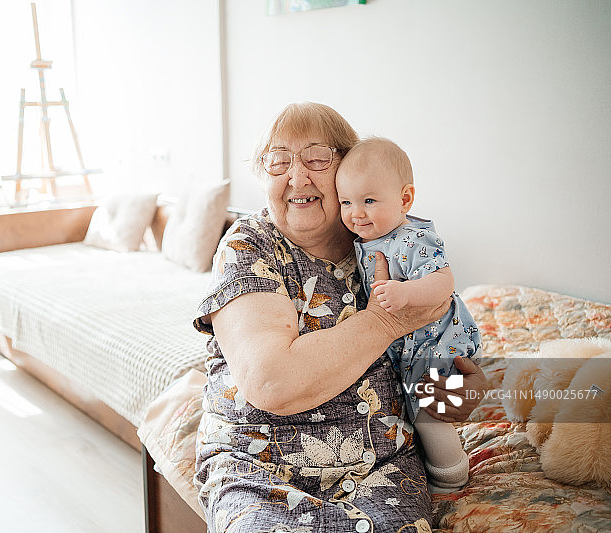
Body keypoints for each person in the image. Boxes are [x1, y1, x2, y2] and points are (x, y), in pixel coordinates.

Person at [193, 102, 487, 533]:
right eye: (278, 161)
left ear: (346, 168)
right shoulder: (249, 246)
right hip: (259, 466)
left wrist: (455, 394)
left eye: (316, 158)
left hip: (381, 465)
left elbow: (438, 330)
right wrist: (385, 322)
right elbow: (273, 382)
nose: (297, 177)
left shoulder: (384, 236)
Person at [335, 137, 482, 492]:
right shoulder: (366, 238)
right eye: (346, 202)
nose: (356, 212)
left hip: (437, 337)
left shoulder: (412, 237)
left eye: (369, 200)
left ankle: (451, 477)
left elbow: (443, 281)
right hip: (408, 343)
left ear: (405, 199)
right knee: (413, 407)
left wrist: (405, 292)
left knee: (429, 409)